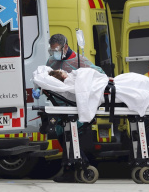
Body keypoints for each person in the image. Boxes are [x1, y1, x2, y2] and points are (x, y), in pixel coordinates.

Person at [32, 34, 105, 183]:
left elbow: (99, 75)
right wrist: (38, 88)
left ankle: (77, 168)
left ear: (65, 47)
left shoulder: (80, 61)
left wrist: (79, 80)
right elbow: (45, 76)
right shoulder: (52, 61)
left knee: (71, 137)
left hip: (74, 105)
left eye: (57, 50)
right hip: (59, 105)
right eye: (52, 50)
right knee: (62, 136)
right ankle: (71, 169)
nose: (54, 53)